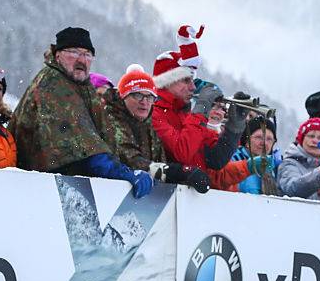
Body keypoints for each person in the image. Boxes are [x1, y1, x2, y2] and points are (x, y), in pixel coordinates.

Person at [9, 27, 152, 198]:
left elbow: (103, 135)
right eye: (74, 52)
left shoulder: (81, 86)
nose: (82, 60)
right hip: (39, 190)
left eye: (87, 54)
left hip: (61, 186)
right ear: (57, 55)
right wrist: (124, 174)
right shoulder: (53, 85)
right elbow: (84, 147)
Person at [150, 47, 252, 190]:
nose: (193, 87)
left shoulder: (186, 114)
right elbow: (182, 153)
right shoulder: (155, 113)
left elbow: (216, 159)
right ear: (166, 82)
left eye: (192, 80)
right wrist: (202, 107)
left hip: (191, 199)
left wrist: (234, 127)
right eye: (186, 80)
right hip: (165, 198)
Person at [99, 64, 210, 193]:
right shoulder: (111, 120)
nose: (144, 102)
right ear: (123, 97)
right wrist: (178, 172)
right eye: (137, 95)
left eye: (150, 96)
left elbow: (159, 160)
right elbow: (131, 160)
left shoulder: (148, 124)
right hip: (109, 194)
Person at [277, 117, 320, 202]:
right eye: (311, 136)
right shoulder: (289, 163)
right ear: (302, 139)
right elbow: (292, 190)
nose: (315, 141)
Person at [230, 115, 281, 195]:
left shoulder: (275, 167)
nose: (264, 143)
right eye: (258, 137)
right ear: (247, 141)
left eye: (269, 139)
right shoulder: (233, 159)